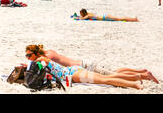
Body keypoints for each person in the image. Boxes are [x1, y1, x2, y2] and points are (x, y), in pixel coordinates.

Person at [24, 45, 157, 89]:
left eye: (28, 55)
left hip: (72, 74)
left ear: (35, 54)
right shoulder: (45, 56)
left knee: (106, 79)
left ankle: (137, 83)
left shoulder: (41, 59)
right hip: (74, 70)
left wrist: (30, 66)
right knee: (109, 76)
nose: (27, 57)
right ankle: (139, 76)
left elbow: (40, 67)